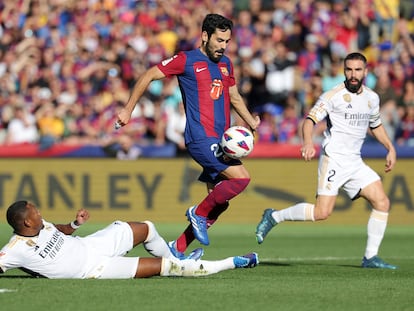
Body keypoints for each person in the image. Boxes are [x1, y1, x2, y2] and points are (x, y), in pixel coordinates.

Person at [116, 14, 260, 256]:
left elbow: (234, 97)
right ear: (205, 36)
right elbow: (149, 74)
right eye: (219, 40)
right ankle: (197, 213)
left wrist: (250, 121)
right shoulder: (187, 60)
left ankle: (176, 249)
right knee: (241, 179)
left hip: (221, 142)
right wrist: (129, 109)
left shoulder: (226, 64)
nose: (224, 46)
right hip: (201, 138)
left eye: (227, 41)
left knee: (219, 202)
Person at [255, 52, 397, 270]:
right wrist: (308, 143)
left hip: (355, 162)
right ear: (344, 71)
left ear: (365, 72)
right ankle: (273, 216)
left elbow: (375, 125)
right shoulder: (332, 96)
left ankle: (370, 257)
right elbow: (310, 120)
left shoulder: (372, 98)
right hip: (334, 160)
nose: (353, 74)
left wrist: (390, 147)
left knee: (382, 202)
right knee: (322, 213)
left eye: (357, 70)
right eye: (349, 69)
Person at [0, 200, 258, 279]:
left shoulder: (41, 224)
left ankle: (175, 253)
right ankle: (233, 262)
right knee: (168, 270)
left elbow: (56, 229)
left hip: (91, 245)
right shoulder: (13, 250)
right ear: (26, 222)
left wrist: (74, 225)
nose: (40, 213)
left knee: (145, 227)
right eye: (35, 212)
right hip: (93, 269)